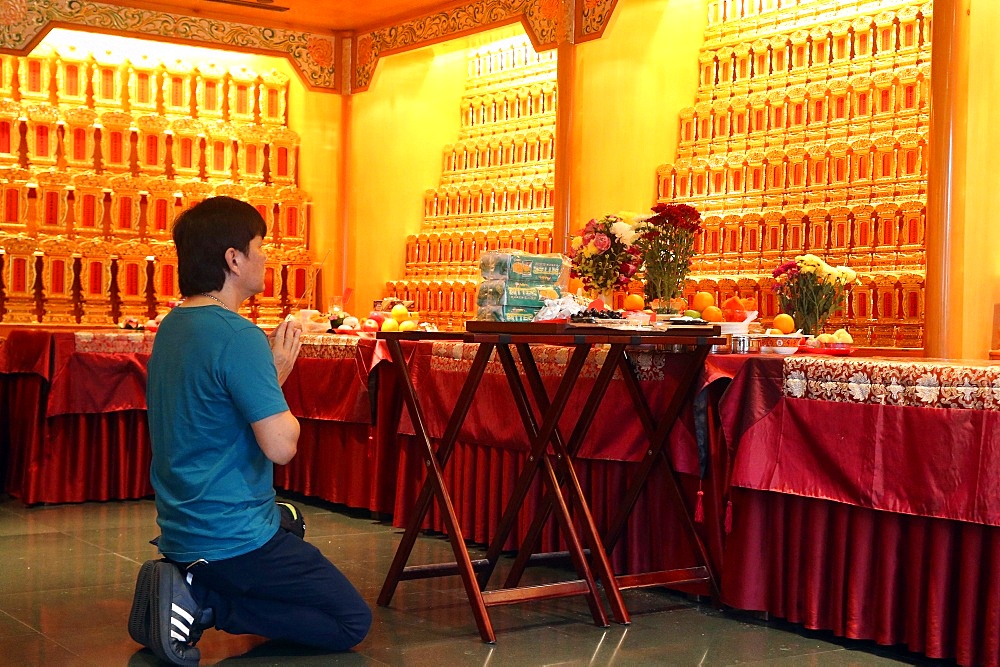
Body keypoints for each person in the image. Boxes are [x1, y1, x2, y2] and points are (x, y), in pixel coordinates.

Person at [128, 196, 371, 666]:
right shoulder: (237, 335)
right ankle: (202, 605)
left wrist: (270, 375)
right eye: (260, 247)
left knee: (289, 520)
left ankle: (189, 578)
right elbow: (282, 447)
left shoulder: (175, 326)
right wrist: (277, 383)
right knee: (350, 622)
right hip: (229, 535)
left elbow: (213, 415)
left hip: (182, 524)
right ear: (233, 259)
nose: (267, 257)